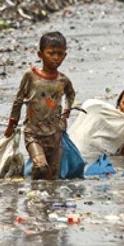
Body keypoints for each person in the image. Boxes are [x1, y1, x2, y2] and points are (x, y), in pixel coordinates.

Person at [5, 32, 76, 180]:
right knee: (41, 166)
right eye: (51, 53)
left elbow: (70, 94)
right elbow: (18, 100)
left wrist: (65, 114)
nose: (55, 57)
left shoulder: (63, 80)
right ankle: (35, 200)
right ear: (40, 54)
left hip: (55, 134)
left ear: (65, 55)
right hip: (33, 133)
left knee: (53, 177)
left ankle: (45, 198)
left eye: (59, 54)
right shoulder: (30, 76)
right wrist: (12, 124)